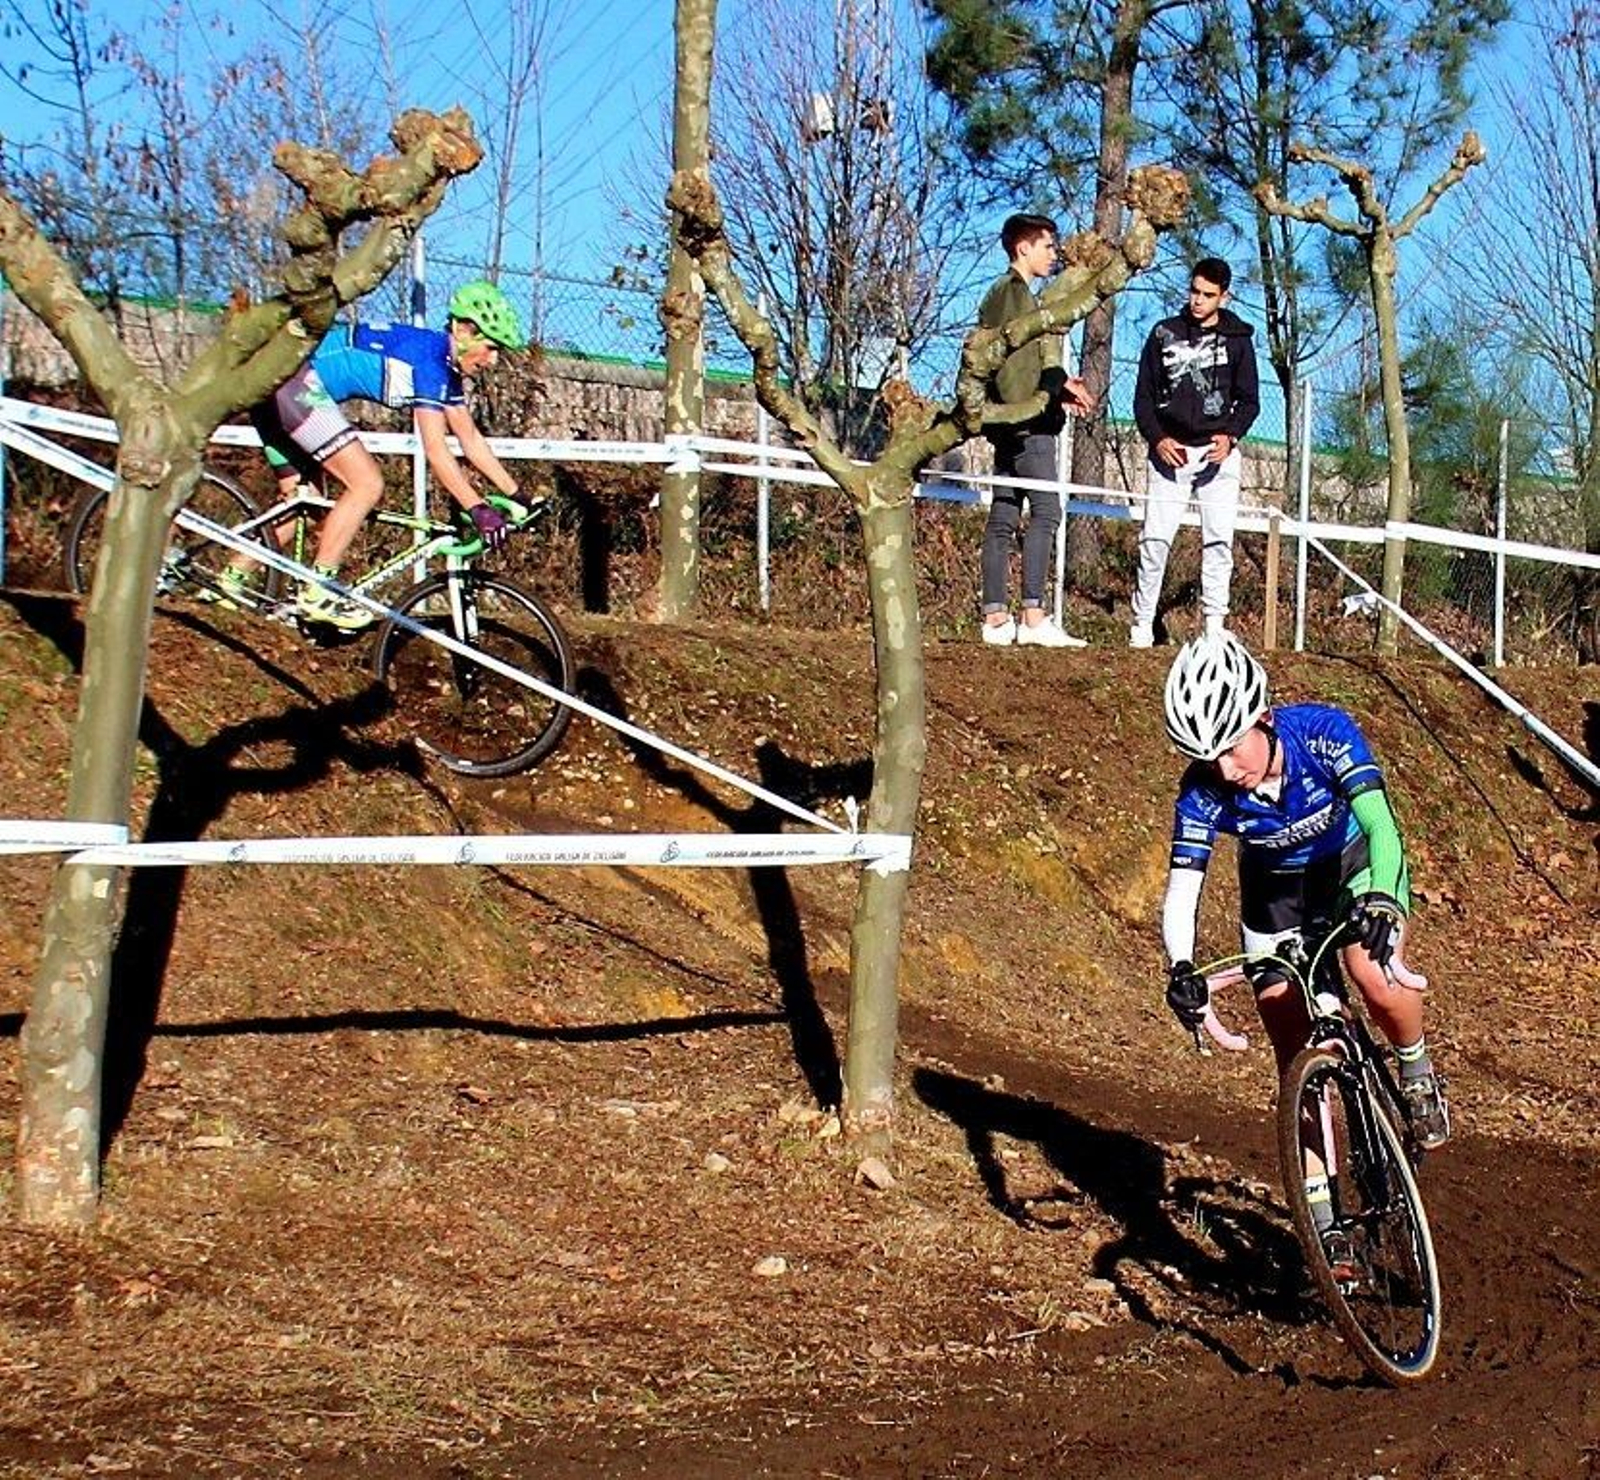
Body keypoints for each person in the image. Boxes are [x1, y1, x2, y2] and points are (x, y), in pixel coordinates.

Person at [1156, 633, 1451, 1196]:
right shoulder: (1202, 792)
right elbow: (1183, 889)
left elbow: (1381, 825)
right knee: (1290, 1041)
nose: (1224, 769)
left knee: (1370, 971)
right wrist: (1181, 966)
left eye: (1231, 747)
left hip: (1353, 866)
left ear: (1263, 717)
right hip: (1275, 894)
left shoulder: (1322, 732)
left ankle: (1415, 1068)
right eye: (1207, 757)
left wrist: (1383, 898)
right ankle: (1319, 1205)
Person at [242, 279, 529, 630]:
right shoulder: (430, 362)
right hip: (296, 383)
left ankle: (229, 580)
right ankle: (317, 591)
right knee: (366, 483)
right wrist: (477, 507)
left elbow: (470, 438)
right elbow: (436, 450)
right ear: (463, 330)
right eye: (491, 347)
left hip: (287, 385)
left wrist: (518, 495)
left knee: (306, 504)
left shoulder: (444, 369)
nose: (493, 360)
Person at [977, 212, 1095, 649]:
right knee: (1046, 511)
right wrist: (1041, 399)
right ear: (1022, 247)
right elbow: (1018, 367)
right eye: (1047, 245)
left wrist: (1058, 387)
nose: (1054, 254)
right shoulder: (1013, 295)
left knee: (1003, 515)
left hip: (1008, 421)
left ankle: (995, 617)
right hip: (1027, 425)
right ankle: (1032, 616)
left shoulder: (1011, 295)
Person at [1129, 258, 1259, 649]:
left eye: (1208, 295)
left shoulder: (1238, 340)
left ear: (1224, 296)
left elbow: (1249, 401)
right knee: (1154, 542)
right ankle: (1141, 625)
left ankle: (1214, 627)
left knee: (1219, 541)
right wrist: (1157, 439)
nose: (1198, 300)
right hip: (1170, 454)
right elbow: (1143, 399)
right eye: (1194, 291)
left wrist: (1230, 436)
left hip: (1217, 457)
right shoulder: (1163, 333)